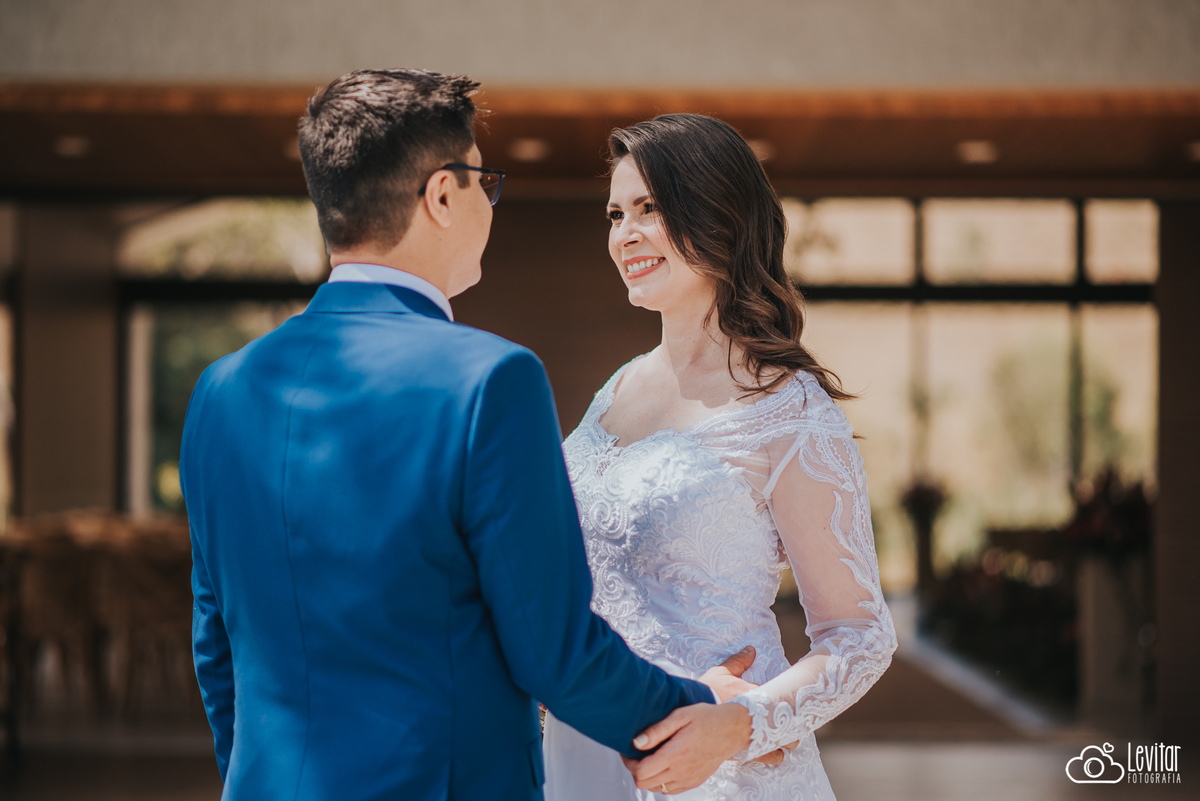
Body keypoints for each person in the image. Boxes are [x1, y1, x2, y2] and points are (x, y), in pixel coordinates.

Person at [182, 71, 751, 801]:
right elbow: (554, 651)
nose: (490, 203)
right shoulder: (491, 380)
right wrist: (696, 706)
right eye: (486, 183)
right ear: (443, 195)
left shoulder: (220, 391)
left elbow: (217, 647)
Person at [541, 113, 899, 800]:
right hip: (584, 759)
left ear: (718, 214)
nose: (625, 235)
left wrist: (738, 724)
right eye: (616, 214)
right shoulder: (613, 390)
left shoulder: (791, 410)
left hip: (720, 776)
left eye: (649, 208)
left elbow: (859, 635)